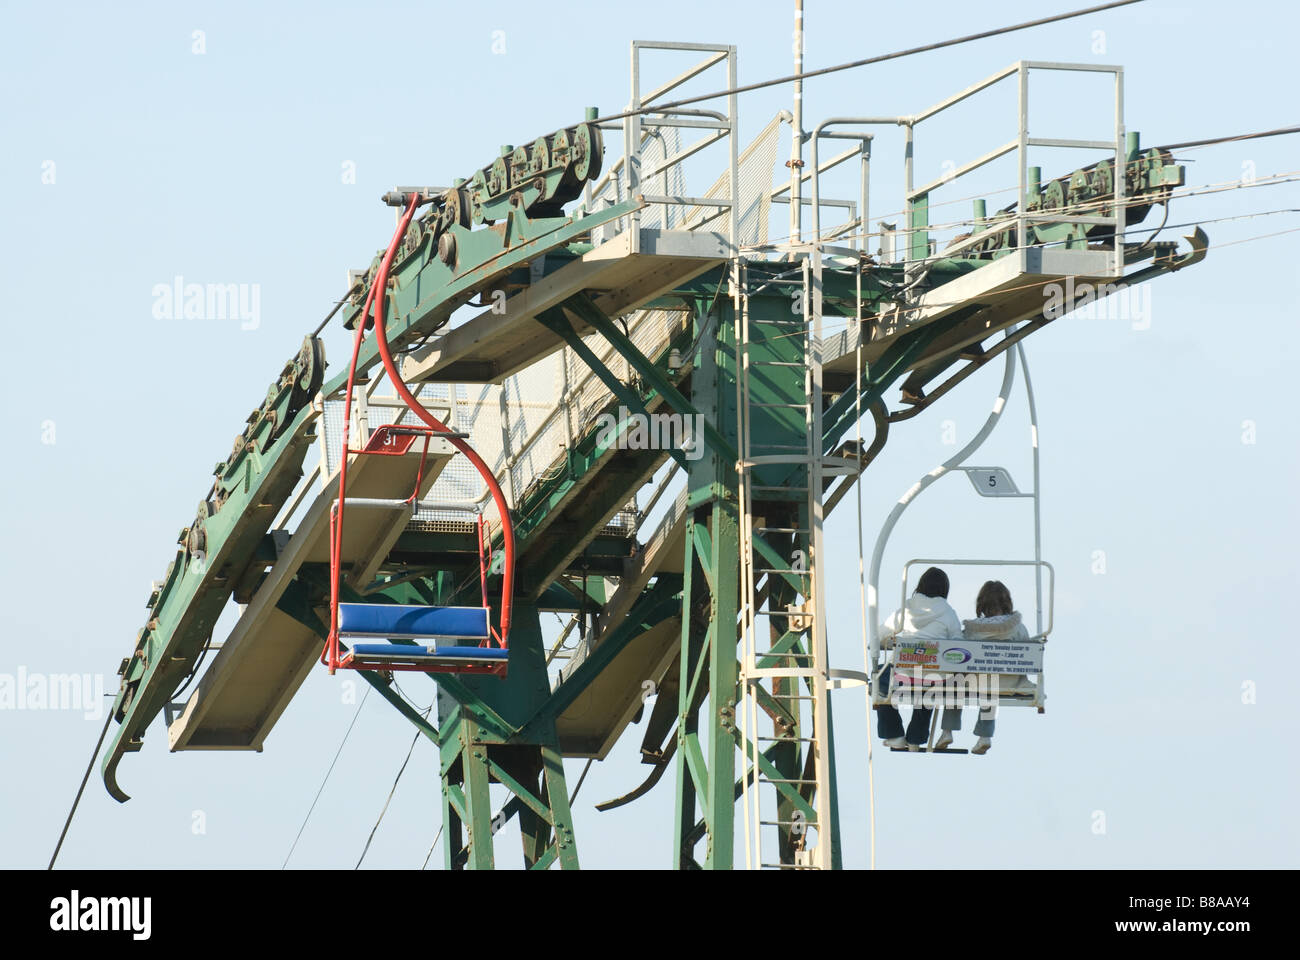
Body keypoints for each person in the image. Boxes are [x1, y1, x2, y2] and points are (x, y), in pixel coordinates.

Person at [875, 566, 964, 750]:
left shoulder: (906, 609)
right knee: (929, 688)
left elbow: (880, 635)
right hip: (935, 678)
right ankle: (915, 738)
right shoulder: (948, 613)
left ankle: (894, 734)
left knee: (879, 680)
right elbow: (959, 645)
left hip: (903, 675)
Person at [949, 579, 1032, 755]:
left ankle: (947, 731)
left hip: (975, 681)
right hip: (1009, 682)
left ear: (982, 604)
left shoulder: (973, 629)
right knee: (992, 687)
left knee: (955, 683)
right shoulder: (1019, 628)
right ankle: (984, 736)